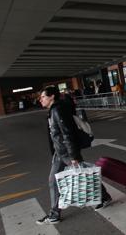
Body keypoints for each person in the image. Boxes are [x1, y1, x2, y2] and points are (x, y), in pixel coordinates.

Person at [37, 86, 112, 225]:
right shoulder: (55, 110)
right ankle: (104, 197)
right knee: (75, 175)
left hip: (65, 152)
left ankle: (54, 214)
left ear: (52, 96)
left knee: (75, 175)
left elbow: (67, 134)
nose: (40, 99)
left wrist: (73, 156)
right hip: (60, 152)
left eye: (43, 97)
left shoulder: (57, 110)